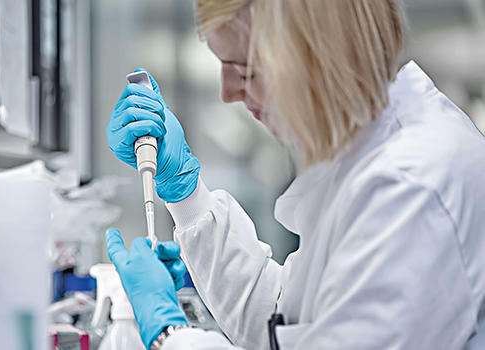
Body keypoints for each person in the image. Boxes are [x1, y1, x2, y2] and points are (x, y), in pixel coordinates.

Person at [105, 0, 485, 349]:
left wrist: (170, 334)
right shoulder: (365, 160)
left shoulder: (410, 185)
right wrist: (185, 193)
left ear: (319, 56)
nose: (226, 93)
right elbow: (284, 320)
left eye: (245, 71)